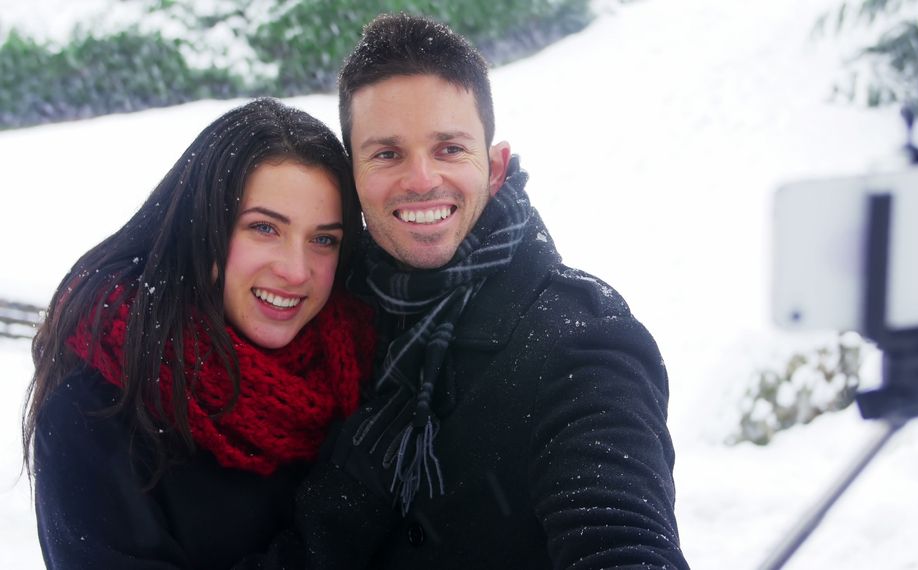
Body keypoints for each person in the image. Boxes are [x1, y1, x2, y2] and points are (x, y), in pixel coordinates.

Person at [308, 12, 688, 568]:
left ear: (495, 166)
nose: (420, 180)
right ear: (352, 176)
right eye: (387, 153)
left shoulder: (582, 339)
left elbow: (619, 536)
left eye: (449, 148)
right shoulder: (325, 316)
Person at [22, 98, 377, 569]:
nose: (296, 271)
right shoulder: (97, 408)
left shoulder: (358, 370)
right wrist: (338, 532)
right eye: (264, 227)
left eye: (323, 239)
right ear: (203, 226)